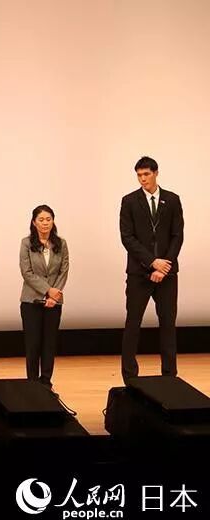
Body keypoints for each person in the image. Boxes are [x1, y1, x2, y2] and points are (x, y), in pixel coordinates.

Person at [120, 156, 184, 383]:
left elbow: (177, 235)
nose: (143, 179)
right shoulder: (129, 201)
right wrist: (152, 262)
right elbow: (127, 237)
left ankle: (169, 376)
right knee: (133, 324)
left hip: (167, 273)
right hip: (139, 273)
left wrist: (164, 265)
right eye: (139, 175)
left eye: (146, 174)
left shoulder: (172, 200)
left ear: (156, 173)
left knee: (168, 324)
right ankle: (130, 377)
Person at [19, 205, 69, 389]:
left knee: (49, 344)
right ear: (34, 222)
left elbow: (64, 270)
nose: (45, 223)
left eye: (48, 219)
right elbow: (27, 272)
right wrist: (48, 291)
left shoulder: (61, 243)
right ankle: (32, 384)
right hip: (31, 301)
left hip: (54, 302)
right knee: (33, 344)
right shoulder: (26, 243)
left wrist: (54, 296)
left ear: (53, 221)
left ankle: (46, 382)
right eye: (41, 219)